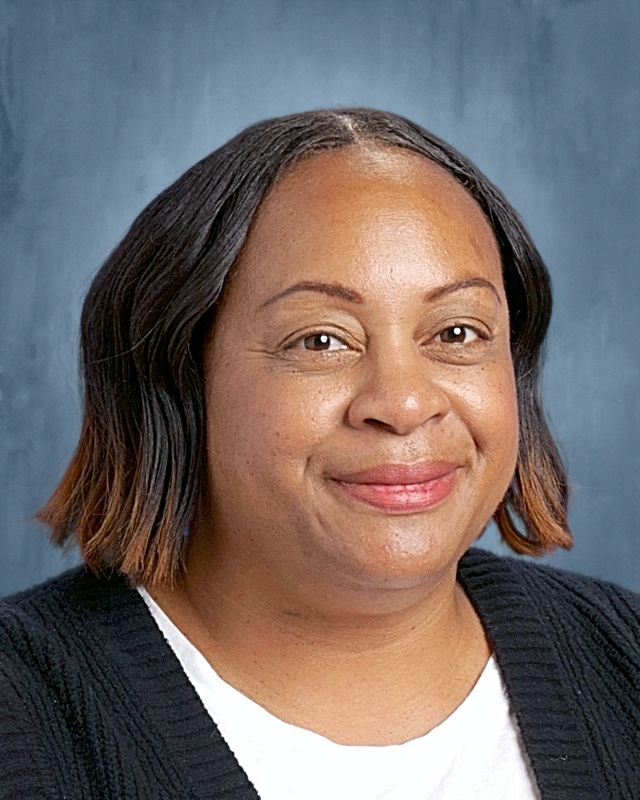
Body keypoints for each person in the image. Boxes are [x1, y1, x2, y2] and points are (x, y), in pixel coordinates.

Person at [0, 108, 638, 800]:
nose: (403, 403)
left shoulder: (624, 661)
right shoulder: (24, 717)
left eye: (456, 332)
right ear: (179, 381)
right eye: (320, 341)